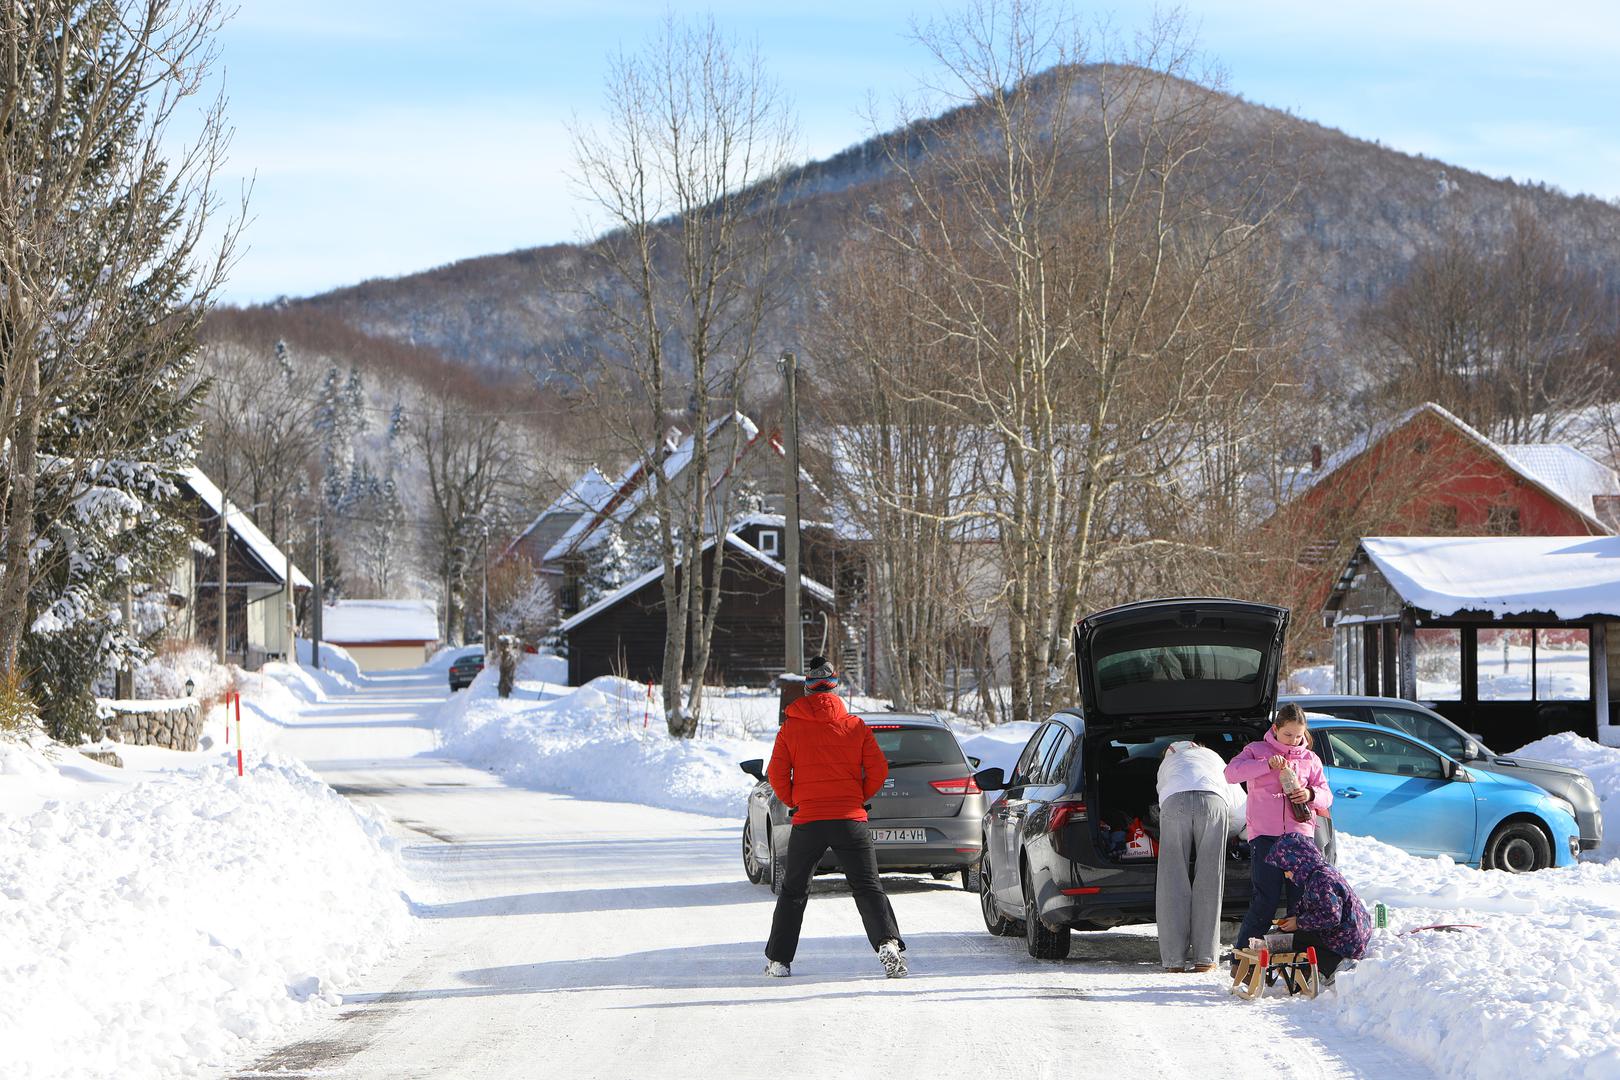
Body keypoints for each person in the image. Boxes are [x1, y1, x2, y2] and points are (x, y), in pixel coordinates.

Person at [763, 656, 907, 979]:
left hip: (808, 821)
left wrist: (797, 800)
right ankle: (887, 944)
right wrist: (856, 796)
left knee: (794, 890)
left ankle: (779, 961)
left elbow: (776, 774)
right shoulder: (855, 726)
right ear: (834, 688)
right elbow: (879, 769)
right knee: (868, 886)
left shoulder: (790, 729)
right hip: (850, 820)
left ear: (807, 690)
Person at [1223, 702, 1332, 958]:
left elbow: (1327, 796)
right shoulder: (1256, 750)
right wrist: (1266, 766)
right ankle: (1243, 958)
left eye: (1299, 735)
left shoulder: (1310, 759)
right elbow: (1231, 774)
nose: (1294, 741)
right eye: (1288, 734)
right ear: (1275, 728)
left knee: (1301, 902)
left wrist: (1309, 793)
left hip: (1300, 837)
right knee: (1265, 900)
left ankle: (1300, 958)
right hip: (1265, 836)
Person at [1155, 740, 1246, 972]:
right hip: (1213, 801)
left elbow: (1162, 797)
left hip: (1174, 803)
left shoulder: (1167, 763)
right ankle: (1205, 959)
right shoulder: (1213, 757)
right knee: (1209, 879)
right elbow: (1240, 809)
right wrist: (1233, 833)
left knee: (1172, 879)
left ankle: (1173, 961)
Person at [1265, 832, 1371, 985]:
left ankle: (1335, 964)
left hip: (1348, 939)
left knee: (1291, 940)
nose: (1286, 875)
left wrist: (1299, 923)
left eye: (1286, 869)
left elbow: (1331, 917)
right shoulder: (1316, 874)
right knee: (1287, 934)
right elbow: (1309, 905)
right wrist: (1292, 918)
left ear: (1297, 863)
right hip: (1350, 933)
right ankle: (1318, 966)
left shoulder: (1321, 879)